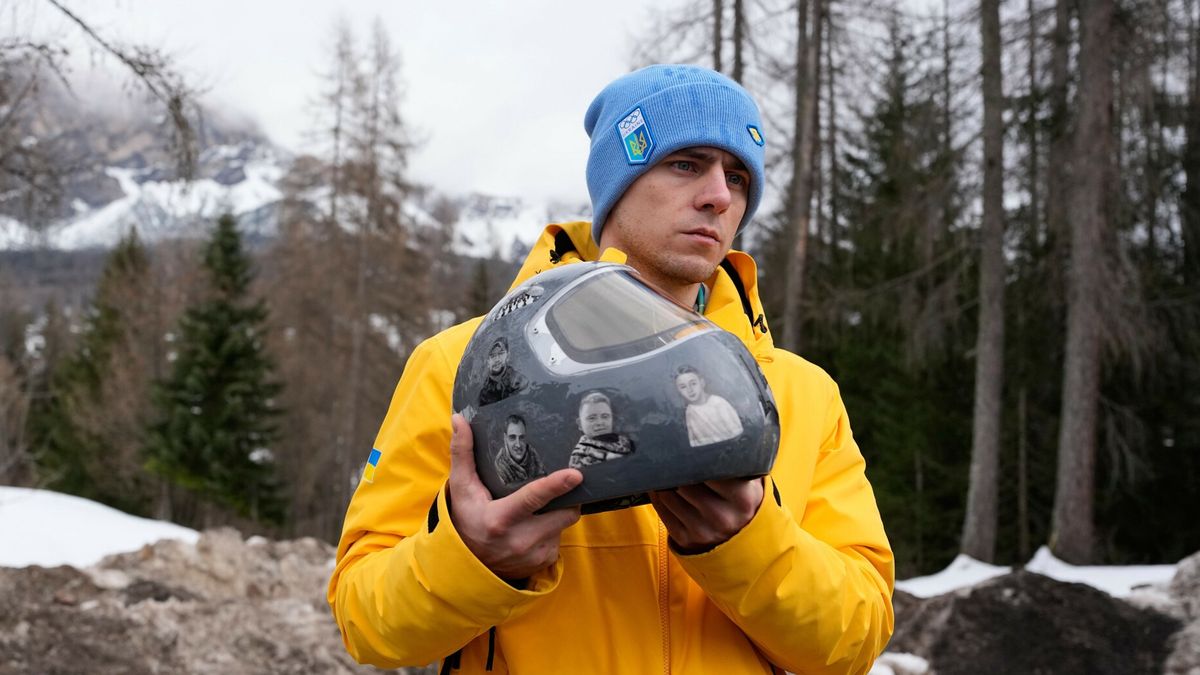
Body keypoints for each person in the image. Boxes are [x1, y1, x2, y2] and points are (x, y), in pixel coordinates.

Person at [329, 64, 894, 674]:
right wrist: (472, 556)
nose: (719, 196)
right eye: (685, 164)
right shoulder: (465, 367)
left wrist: (748, 546)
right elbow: (367, 624)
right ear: (615, 183)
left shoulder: (800, 392)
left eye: (737, 177)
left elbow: (857, 638)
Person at [675, 365, 744, 446]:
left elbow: (737, 433)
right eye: (683, 387)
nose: (690, 390)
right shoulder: (689, 411)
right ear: (679, 391)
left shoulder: (719, 403)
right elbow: (694, 442)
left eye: (693, 384)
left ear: (702, 383)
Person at [567, 391, 636, 468]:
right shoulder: (580, 456)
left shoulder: (626, 442)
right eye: (592, 418)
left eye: (605, 416)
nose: (599, 422)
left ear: (612, 419)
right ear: (580, 424)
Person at [493, 415, 546, 484]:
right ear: (505, 438)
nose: (518, 444)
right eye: (512, 437)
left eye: (521, 438)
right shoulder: (501, 465)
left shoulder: (533, 455)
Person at [477, 337, 525, 406]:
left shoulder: (518, 381)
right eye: (492, 355)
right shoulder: (481, 387)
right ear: (487, 361)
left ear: (508, 355)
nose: (497, 359)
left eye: (501, 353)